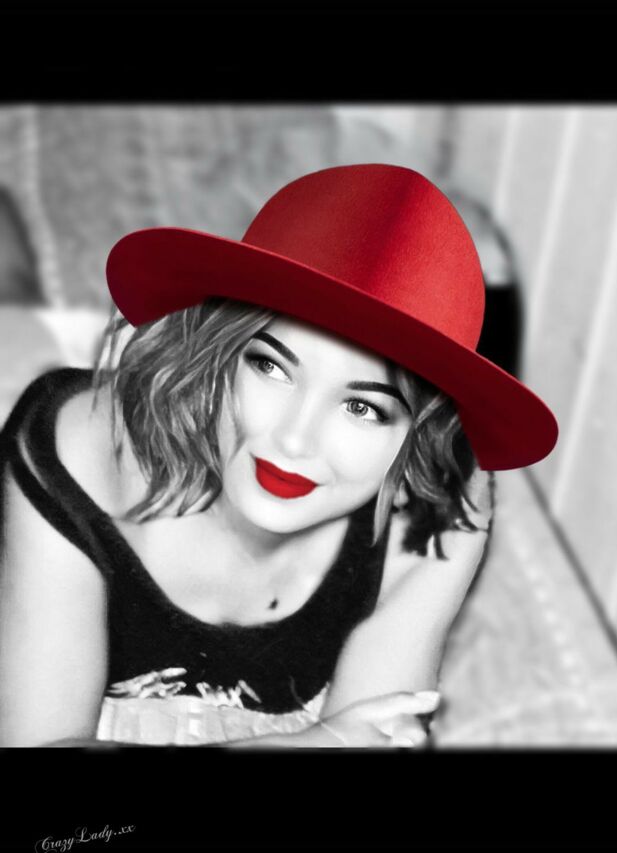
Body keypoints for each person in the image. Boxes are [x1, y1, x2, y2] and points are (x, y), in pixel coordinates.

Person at [0, 164, 558, 748]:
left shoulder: (442, 503)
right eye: (270, 366)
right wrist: (309, 744)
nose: (294, 440)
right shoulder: (77, 451)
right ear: (219, 351)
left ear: (419, 439)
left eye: (363, 407)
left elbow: (374, 740)